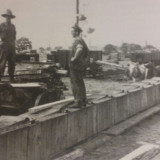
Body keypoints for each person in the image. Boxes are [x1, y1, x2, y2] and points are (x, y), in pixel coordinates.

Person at [69, 24, 89, 108]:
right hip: (80, 65)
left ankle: (78, 102)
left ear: (76, 32)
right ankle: (83, 100)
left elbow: (79, 49)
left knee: (75, 82)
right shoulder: (81, 40)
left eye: (72, 31)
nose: (71, 32)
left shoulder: (77, 40)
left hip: (76, 66)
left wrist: (74, 58)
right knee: (80, 82)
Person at [0, 9, 16, 82]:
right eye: (7, 16)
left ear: (11, 18)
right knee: (2, 62)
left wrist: (14, 44)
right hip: (4, 46)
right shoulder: (2, 25)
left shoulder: (13, 26)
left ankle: (11, 78)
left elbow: (14, 36)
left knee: (12, 62)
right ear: (5, 17)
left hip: (12, 46)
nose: (8, 18)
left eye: (9, 17)